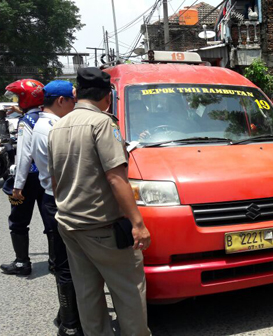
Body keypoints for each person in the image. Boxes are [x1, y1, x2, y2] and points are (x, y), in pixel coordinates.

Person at [47, 67, 151, 336]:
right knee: (129, 290)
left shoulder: (58, 126)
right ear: (107, 96)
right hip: (101, 226)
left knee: (88, 293)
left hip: (69, 223)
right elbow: (117, 178)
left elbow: (55, 180)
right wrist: (138, 224)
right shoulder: (103, 123)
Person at [30, 80, 82, 336]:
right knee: (65, 265)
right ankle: (71, 324)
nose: (75, 106)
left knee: (67, 262)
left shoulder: (44, 125)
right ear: (61, 101)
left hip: (55, 196)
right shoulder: (52, 128)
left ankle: (66, 315)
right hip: (58, 198)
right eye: (72, 101)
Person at [1, 79, 55, 276]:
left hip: (28, 178)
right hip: (46, 177)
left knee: (18, 221)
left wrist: (17, 185)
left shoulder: (26, 122)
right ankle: (55, 261)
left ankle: (22, 263)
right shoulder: (46, 118)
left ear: (24, 98)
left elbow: (24, 156)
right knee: (50, 221)